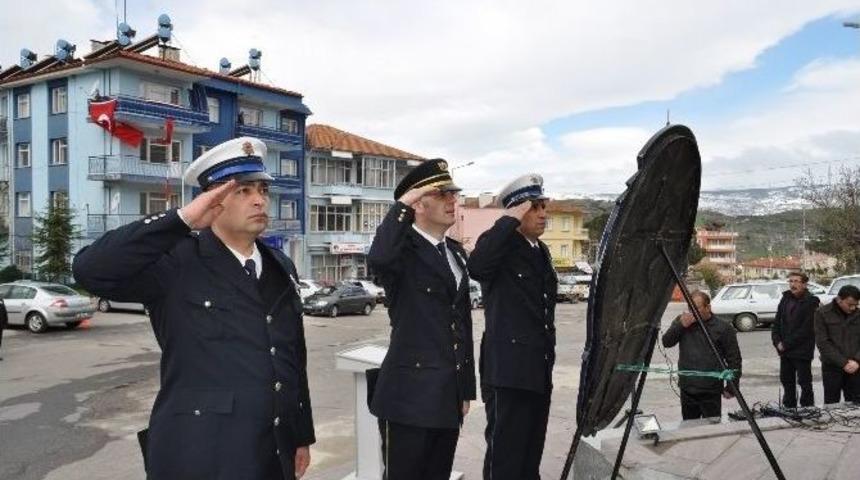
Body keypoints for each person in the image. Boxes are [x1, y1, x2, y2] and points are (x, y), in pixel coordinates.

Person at [72, 137, 314, 479]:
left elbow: (292, 357)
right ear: (212, 200)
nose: (260, 199)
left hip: (273, 449)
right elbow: (89, 270)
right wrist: (181, 219)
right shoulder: (175, 261)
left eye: (262, 189)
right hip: (201, 453)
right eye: (243, 191)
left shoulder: (280, 265)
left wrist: (301, 435)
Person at [367, 158, 476, 480]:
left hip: (447, 395)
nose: (452, 200)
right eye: (442, 194)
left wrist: (465, 389)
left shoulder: (455, 252)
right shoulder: (401, 252)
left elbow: (462, 325)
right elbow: (379, 257)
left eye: (453, 194)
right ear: (418, 203)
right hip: (408, 397)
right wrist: (402, 204)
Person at [467, 174, 557, 480]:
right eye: (534, 207)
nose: (543, 213)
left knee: (531, 454)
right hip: (508, 371)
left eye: (544, 206)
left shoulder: (540, 251)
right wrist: (507, 221)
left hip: (537, 369)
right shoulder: (499, 245)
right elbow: (477, 267)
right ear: (516, 211)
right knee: (506, 456)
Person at [662, 291, 742, 420]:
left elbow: (734, 359)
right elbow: (666, 342)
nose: (692, 311)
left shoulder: (723, 328)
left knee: (711, 428)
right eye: (690, 308)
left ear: (708, 307)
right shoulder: (682, 321)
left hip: (711, 389)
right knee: (689, 426)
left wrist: (732, 386)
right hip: (688, 387)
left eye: (697, 308)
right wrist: (681, 326)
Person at [772, 271, 821, 408]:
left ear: (804, 284)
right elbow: (777, 323)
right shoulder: (785, 298)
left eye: (796, 281)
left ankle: (807, 408)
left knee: (804, 382)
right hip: (785, 351)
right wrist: (777, 342)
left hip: (801, 350)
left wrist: (786, 344)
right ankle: (789, 407)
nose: (793, 284)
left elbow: (807, 329)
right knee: (787, 381)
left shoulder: (811, 302)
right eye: (791, 281)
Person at [814, 285, 860, 404]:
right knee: (831, 405)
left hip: (856, 367)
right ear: (839, 300)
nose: (853, 307)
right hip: (832, 367)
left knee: (856, 406)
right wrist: (843, 363)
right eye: (850, 304)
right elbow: (823, 342)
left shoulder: (858, 314)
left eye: (856, 304)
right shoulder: (822, 313)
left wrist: (857, 361)